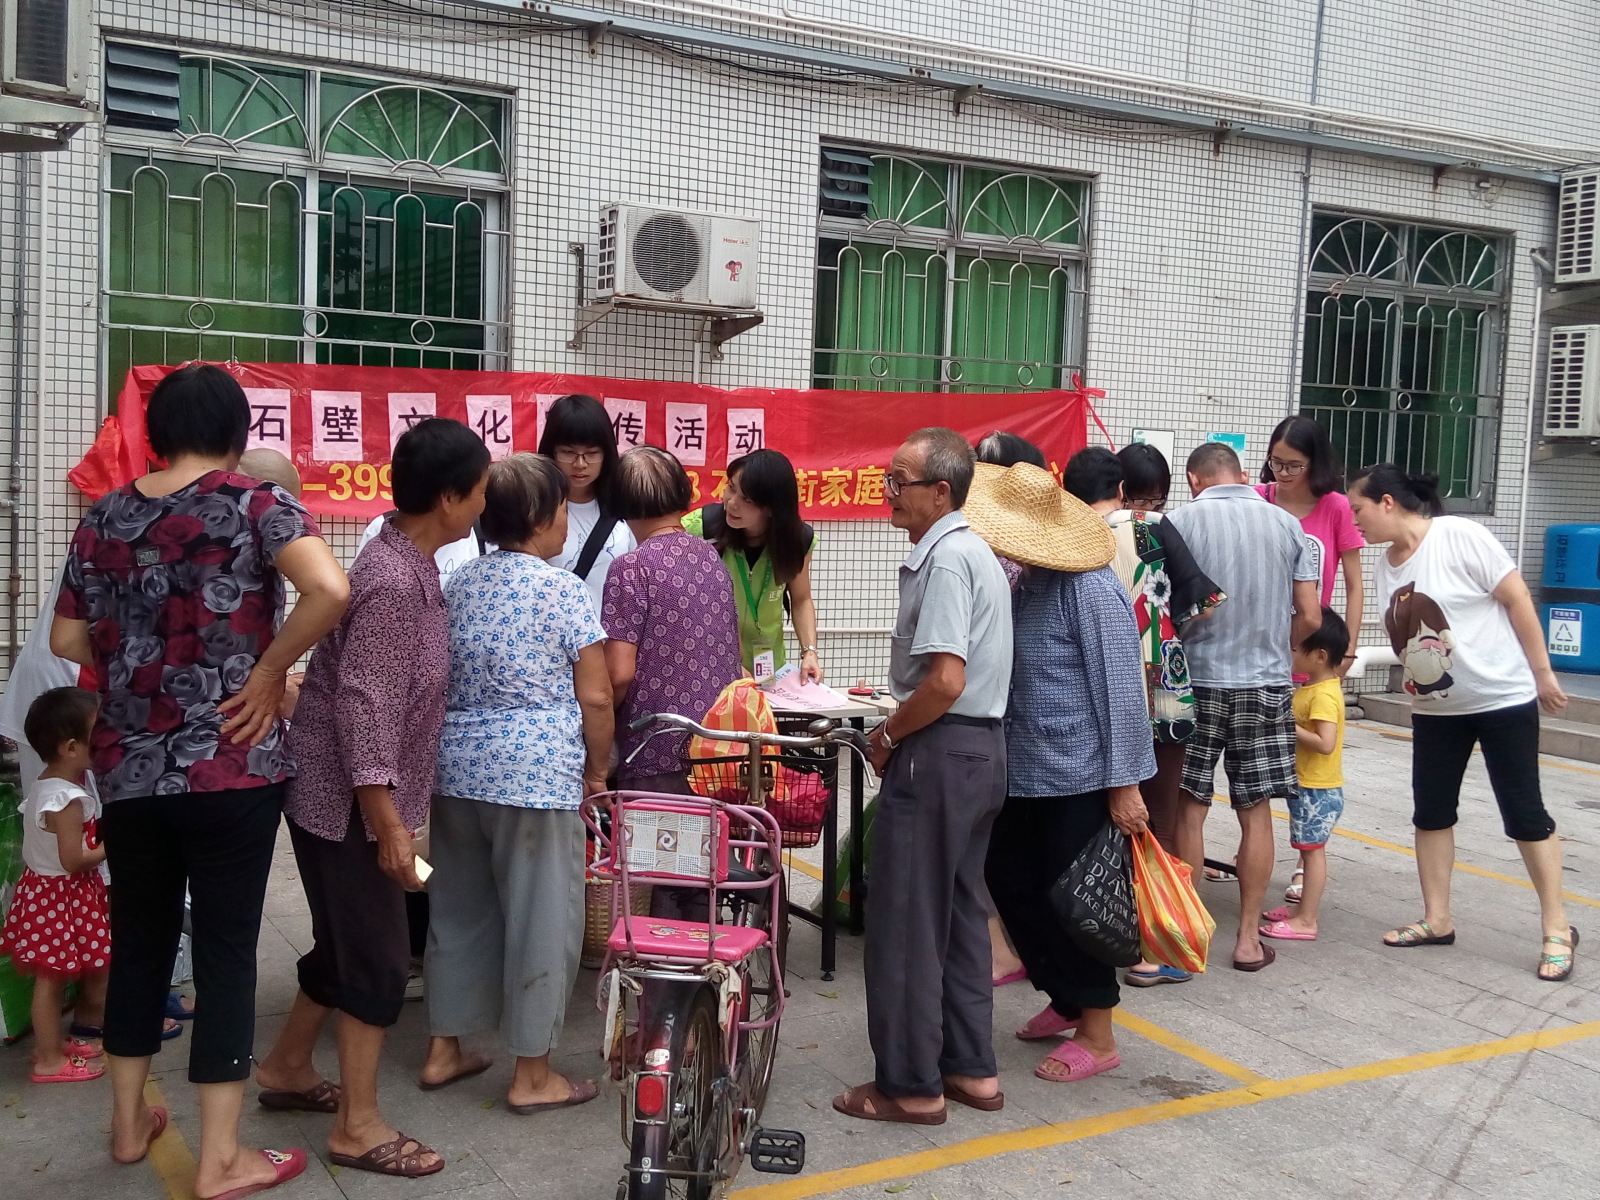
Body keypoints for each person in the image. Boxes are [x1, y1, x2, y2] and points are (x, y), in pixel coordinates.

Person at [50, 362, 346, 1196]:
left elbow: (68, 640)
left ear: (154, 435)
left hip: (128, 765)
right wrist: (266, 672)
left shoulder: (105, 516)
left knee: (140, 941)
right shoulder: (254, 503)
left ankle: (126, 1123)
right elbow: (329, 589)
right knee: (223, 951)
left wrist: (138, 665)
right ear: (236, 434)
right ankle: (220, 1157)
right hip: (230, 763)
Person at [253, 418, 488, 1181]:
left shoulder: (407, 562)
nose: (485, 501)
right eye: (480, 488)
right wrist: (386, 822)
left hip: (348, 794)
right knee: (382, 960)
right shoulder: (391, 580)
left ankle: (287, 1066)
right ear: (449, 497)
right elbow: (365, 704)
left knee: (344, 943)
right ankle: (356, 1127)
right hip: (347, 802)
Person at [421, 454, 610, 1114]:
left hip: (456, 770)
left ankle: (443, 1048)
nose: (566, 524)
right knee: (542, 919)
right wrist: (597, 770)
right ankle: (532, 1075)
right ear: (539, 517)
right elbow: (597, 697)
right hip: (537, 777)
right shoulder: (563, 591)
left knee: (456, 910)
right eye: (561, 511)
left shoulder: (458, 584)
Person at [832, 428, 1012, 1125]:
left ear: (941, 491)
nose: (888, 492)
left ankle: (910, 1085)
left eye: (898, 480)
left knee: (906, 921)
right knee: (961, 915)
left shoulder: (948, 559)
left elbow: (943, 681)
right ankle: (971, 1070)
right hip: (978, 752)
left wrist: (886, 735)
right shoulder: (973, 552)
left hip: (940, 752)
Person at [1348, 465, 1576, 981]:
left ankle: (1557, 927)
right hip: (1437, 711)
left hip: (1502, 700)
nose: (1355, 520)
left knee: (1524, 813)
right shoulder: (1386, 564)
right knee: (1431, 813)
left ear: (1387, 503)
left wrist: (1543, 673)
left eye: (1358, 509)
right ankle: (1438, 919)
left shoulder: (1459, 536)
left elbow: (1516, 598)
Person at [966, 460, 1154, 1082]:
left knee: (1081, 902)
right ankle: (1066, 996)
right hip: (1022, 769)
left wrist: (1125, 785)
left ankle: (1098, 1032)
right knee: (1010, 880)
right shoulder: (1025, 582)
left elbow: (1122, 692)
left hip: (1081, 776)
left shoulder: (1091, 589)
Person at [1063, 447, 1224, 987]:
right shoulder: (1152, 525)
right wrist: (1160, 625)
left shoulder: (1068, 533)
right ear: (1122, 491)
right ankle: (1157, 946)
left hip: (1092, 690)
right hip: (1162, 686)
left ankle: (1100, 930)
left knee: (1098, 819)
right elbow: (1203, 600)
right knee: (1162, 818)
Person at [1163, 442, 1319, 973]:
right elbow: (1310, 615)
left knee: (1190, 807)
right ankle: (1248, 939)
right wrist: (1278, 648)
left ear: (1194, 479)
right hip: (1265, 684)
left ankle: (1189, 934)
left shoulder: (1178, 522)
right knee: (1255, 812)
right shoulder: (1287, 526)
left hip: (1194, 683)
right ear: (1244, 474)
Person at [1258, 415, 1365, 905]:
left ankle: (1307, 857)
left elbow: (1355, 582)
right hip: (1264, 649)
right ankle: (1256, 849)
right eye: (1277, 462)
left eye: (1294, 465)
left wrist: (1349, 649)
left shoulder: (1335, 506)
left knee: (1313, 762)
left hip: (1313, 652)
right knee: (1261, 756)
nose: (1283, 473)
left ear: (1315, 463)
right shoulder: (1259, 498)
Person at [602, 446, 742, 794]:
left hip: (656, 745)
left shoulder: (630, 567)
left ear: (621, 502)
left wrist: (595, 725)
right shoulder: (711, 556)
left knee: (657, 832)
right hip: (718, 744)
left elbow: (619, 674)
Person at [1, 687, 109, 1084]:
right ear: (70, 747)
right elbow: (73, 860)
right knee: (50, 981)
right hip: (61, 897)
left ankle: (52, 1046)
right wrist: (110, 846)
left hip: (45, 894)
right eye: (100, 734)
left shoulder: (45, 784)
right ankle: (48, 1059)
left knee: (54, 978)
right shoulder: (67, 800)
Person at [971, 430, 1046, 986]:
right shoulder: (997, 552)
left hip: (1002, 721)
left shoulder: (1004, 560)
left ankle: (1001, 949)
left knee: (982, 844)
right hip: (1005, 717)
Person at [683, 448, 823, 682]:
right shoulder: (700, 529)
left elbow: (801, 600)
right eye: (731, 488)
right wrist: (727, 660)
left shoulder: (798, 541)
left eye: (747, 500)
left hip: (768, 666)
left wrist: (810, 652)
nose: (731, 503)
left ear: (772, 508)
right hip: (709, 664)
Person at [1260, 608, 1350, 942]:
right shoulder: (1314, 687)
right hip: (1310, 786)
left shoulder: (1323, 694)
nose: (1290, 652)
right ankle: (1301, 911)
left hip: (1317, 789)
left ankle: (1307, 919)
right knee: (1308, 849)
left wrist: (1287, 725)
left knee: (1312, 852)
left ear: (1320, 655)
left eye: (1296, 647)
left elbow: (1325, 743)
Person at [539, 393, 636, 613]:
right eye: (568, 452)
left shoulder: (625, 508)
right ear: (551, 452)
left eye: (592, 453)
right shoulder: (533, 509)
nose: (580, 464)